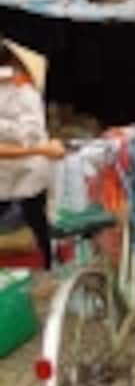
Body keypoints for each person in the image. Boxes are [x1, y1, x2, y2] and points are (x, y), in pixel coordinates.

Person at [0, 40, 64, 269]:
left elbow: (28, 133)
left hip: (28, 173)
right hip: (7, 174)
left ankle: (47, 270)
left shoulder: (24, 91)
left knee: (36, 226)